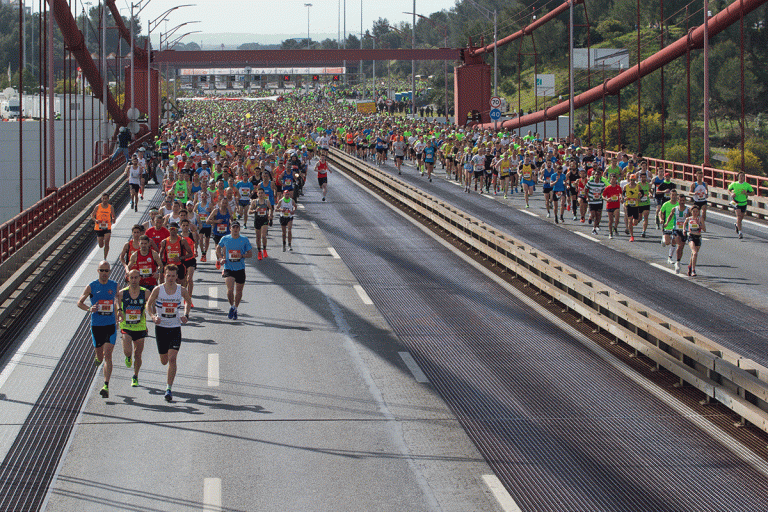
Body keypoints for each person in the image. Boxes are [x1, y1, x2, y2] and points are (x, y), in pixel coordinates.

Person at [147, 265, 192, 402]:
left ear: (176, 277)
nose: (171, 278)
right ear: (164, 276)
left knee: (172, 359)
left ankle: (168, 388)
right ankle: (168, 384)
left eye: (173, 276)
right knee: (164, 360)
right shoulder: (158, 289)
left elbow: (188, 302)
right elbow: (149, 305)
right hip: (161, 328)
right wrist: (153, 316)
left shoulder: (181, 290)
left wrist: (186, 315)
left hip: (175, 328)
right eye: (168, 276)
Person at [77, 261, 118, 399]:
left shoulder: (114, 285)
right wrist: (89, 309)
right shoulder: (92, 286)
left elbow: (119, 300)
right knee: (100, 357)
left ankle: (106, 385)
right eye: (102, 270)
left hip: (110, 325)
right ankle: (97, 357)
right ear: (98, 271)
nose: (104, 273)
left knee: (108, 355)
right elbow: (79, 302)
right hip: (96, 326)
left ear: (109, 272)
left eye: (107, 270)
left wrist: (120, 313)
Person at [116, 269, 149, 387]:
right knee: (128, 351)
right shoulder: (121, 293)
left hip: (140, 327)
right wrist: (118, 313)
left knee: (138, 354)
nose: (134, 280)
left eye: (136, 277)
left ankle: (135, 376)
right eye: (132, 278)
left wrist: (154, 315)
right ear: (128, 279)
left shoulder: (145, 293)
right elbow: (117, 302)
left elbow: (150, 306)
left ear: (140, 278)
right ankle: (128, 357)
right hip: (126, 326)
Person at [216, 221, 253, 320]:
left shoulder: (244, 239)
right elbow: (217, 248)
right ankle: (232, 306)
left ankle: (235, 308)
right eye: (233, 227)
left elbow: (250, 253)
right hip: (229, 268)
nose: (235, 229)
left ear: (239, 229)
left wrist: (242, 255)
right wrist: (221, 258)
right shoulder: (225, 238)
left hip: (240, 268)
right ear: (230, 229)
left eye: (237, 227)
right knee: (230, 290)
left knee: (239, 291)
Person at [206, 197, 234, 269]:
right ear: (220, 203)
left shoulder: (229, 211)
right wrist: (216, 221)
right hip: (217, 233)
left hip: (226, 233)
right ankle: (218, 260)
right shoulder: (216, 211)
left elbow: (232, 220)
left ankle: (225, 265)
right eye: (223, 203)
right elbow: (207, 221)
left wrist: (231, 224)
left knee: (225, 249)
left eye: (226, 203)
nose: (224, 204)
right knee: (217, 248)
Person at [728, 172, 754, 239]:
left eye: (742, 176)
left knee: (741, 218)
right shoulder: (734, 184)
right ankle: (740, 232)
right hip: (736, 203)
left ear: (744, 177)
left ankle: (737, 225)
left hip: (744, 203)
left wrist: (747, 193)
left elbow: (753, 193)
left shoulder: (747, 185)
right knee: (739, 217)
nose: (741, 177)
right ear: (738, 177)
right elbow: (728, 190)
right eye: (740, 176)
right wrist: (731, 194)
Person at [92, 193, 116, 260]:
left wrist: (113, 219)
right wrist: (95, 220)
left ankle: (105, 258)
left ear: (108, 199)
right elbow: (92, 215)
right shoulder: (97, 206)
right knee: (101, 245)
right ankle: (99, 239)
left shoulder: (110, 207)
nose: (104, 200)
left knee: (107, 241)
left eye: (106, 198)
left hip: (107, 227)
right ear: (101, 199)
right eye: (103, 198)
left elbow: (113, 215)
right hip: (99, 227)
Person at [249, 187, 272, 259]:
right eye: (259, 193)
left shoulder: (267, 201)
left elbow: (270, 208)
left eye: (262, 193)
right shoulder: (254, 202)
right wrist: (255, 211)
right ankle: (259, 251)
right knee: (258, 237)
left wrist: (270, 214)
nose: (261, 194)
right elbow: (249, 211)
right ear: (257, 194)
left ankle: (264, 249)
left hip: (264, 220)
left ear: (264, 194)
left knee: (263, 236)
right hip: (257, 220)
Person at [684, 205, 705, 276]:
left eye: (697, 211)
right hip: (691, 237)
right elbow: (684, 224)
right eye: (694, 211)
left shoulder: (700, 219)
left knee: (693, 254)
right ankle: (693, 270)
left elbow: (705, 229)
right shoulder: (689, 219)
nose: (695, 213)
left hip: (698, 237)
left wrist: (700, 225)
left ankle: (689, 267)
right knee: (695, 253)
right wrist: (684, 230)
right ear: (691, 212)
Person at [586, 168, 606, 235]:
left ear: (600, 175)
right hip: (592, 200)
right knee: (593, 214)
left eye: (598, 174)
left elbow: (604, 191)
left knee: (598, 214)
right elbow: (586, 189)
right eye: (596, 174)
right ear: (594, 175)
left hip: (599, 201)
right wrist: (587, 197)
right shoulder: (590, 182)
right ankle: (590, 218)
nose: (597, 176)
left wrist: (602, 196)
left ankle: (594, 228)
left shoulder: (602, 184)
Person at [602, 173, 622, 238]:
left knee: (617, 218)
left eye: (614, 179)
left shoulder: (618, 187)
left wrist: (621, 197)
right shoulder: (607, 188)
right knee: (610, 220)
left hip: (616, 205)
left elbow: (621, 194)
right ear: (610, 180)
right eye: (612, 179)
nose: (613, 180)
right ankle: (610, 233)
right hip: (609, 205)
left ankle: (615, 227)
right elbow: (603, 196)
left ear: (616, 180)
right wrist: (607, 199)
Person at [622, 172, 641, 241]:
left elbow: (643, 194)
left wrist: (640, 197)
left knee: (635, 222)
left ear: (635, 180)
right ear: (629, 179)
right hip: (628, 205)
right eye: (631, 180)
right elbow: (623, 194)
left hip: (635, 205)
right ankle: (632, 236)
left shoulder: (638, 186)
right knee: (630, 221)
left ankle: (633, 221)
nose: (632, 181)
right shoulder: (626, 186)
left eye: (633, 180)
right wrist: (624, 197)